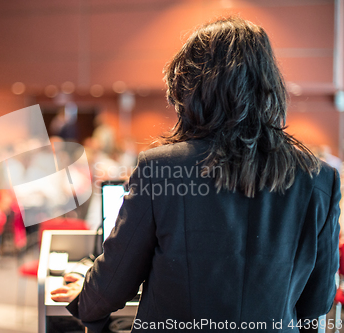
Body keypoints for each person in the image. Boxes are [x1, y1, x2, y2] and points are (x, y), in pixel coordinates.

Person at [51, 17, 341, 332]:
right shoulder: (319, 177)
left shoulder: (159, 168)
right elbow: (317, 302)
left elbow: (113, 284)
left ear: (189, 90)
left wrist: (84, 293)